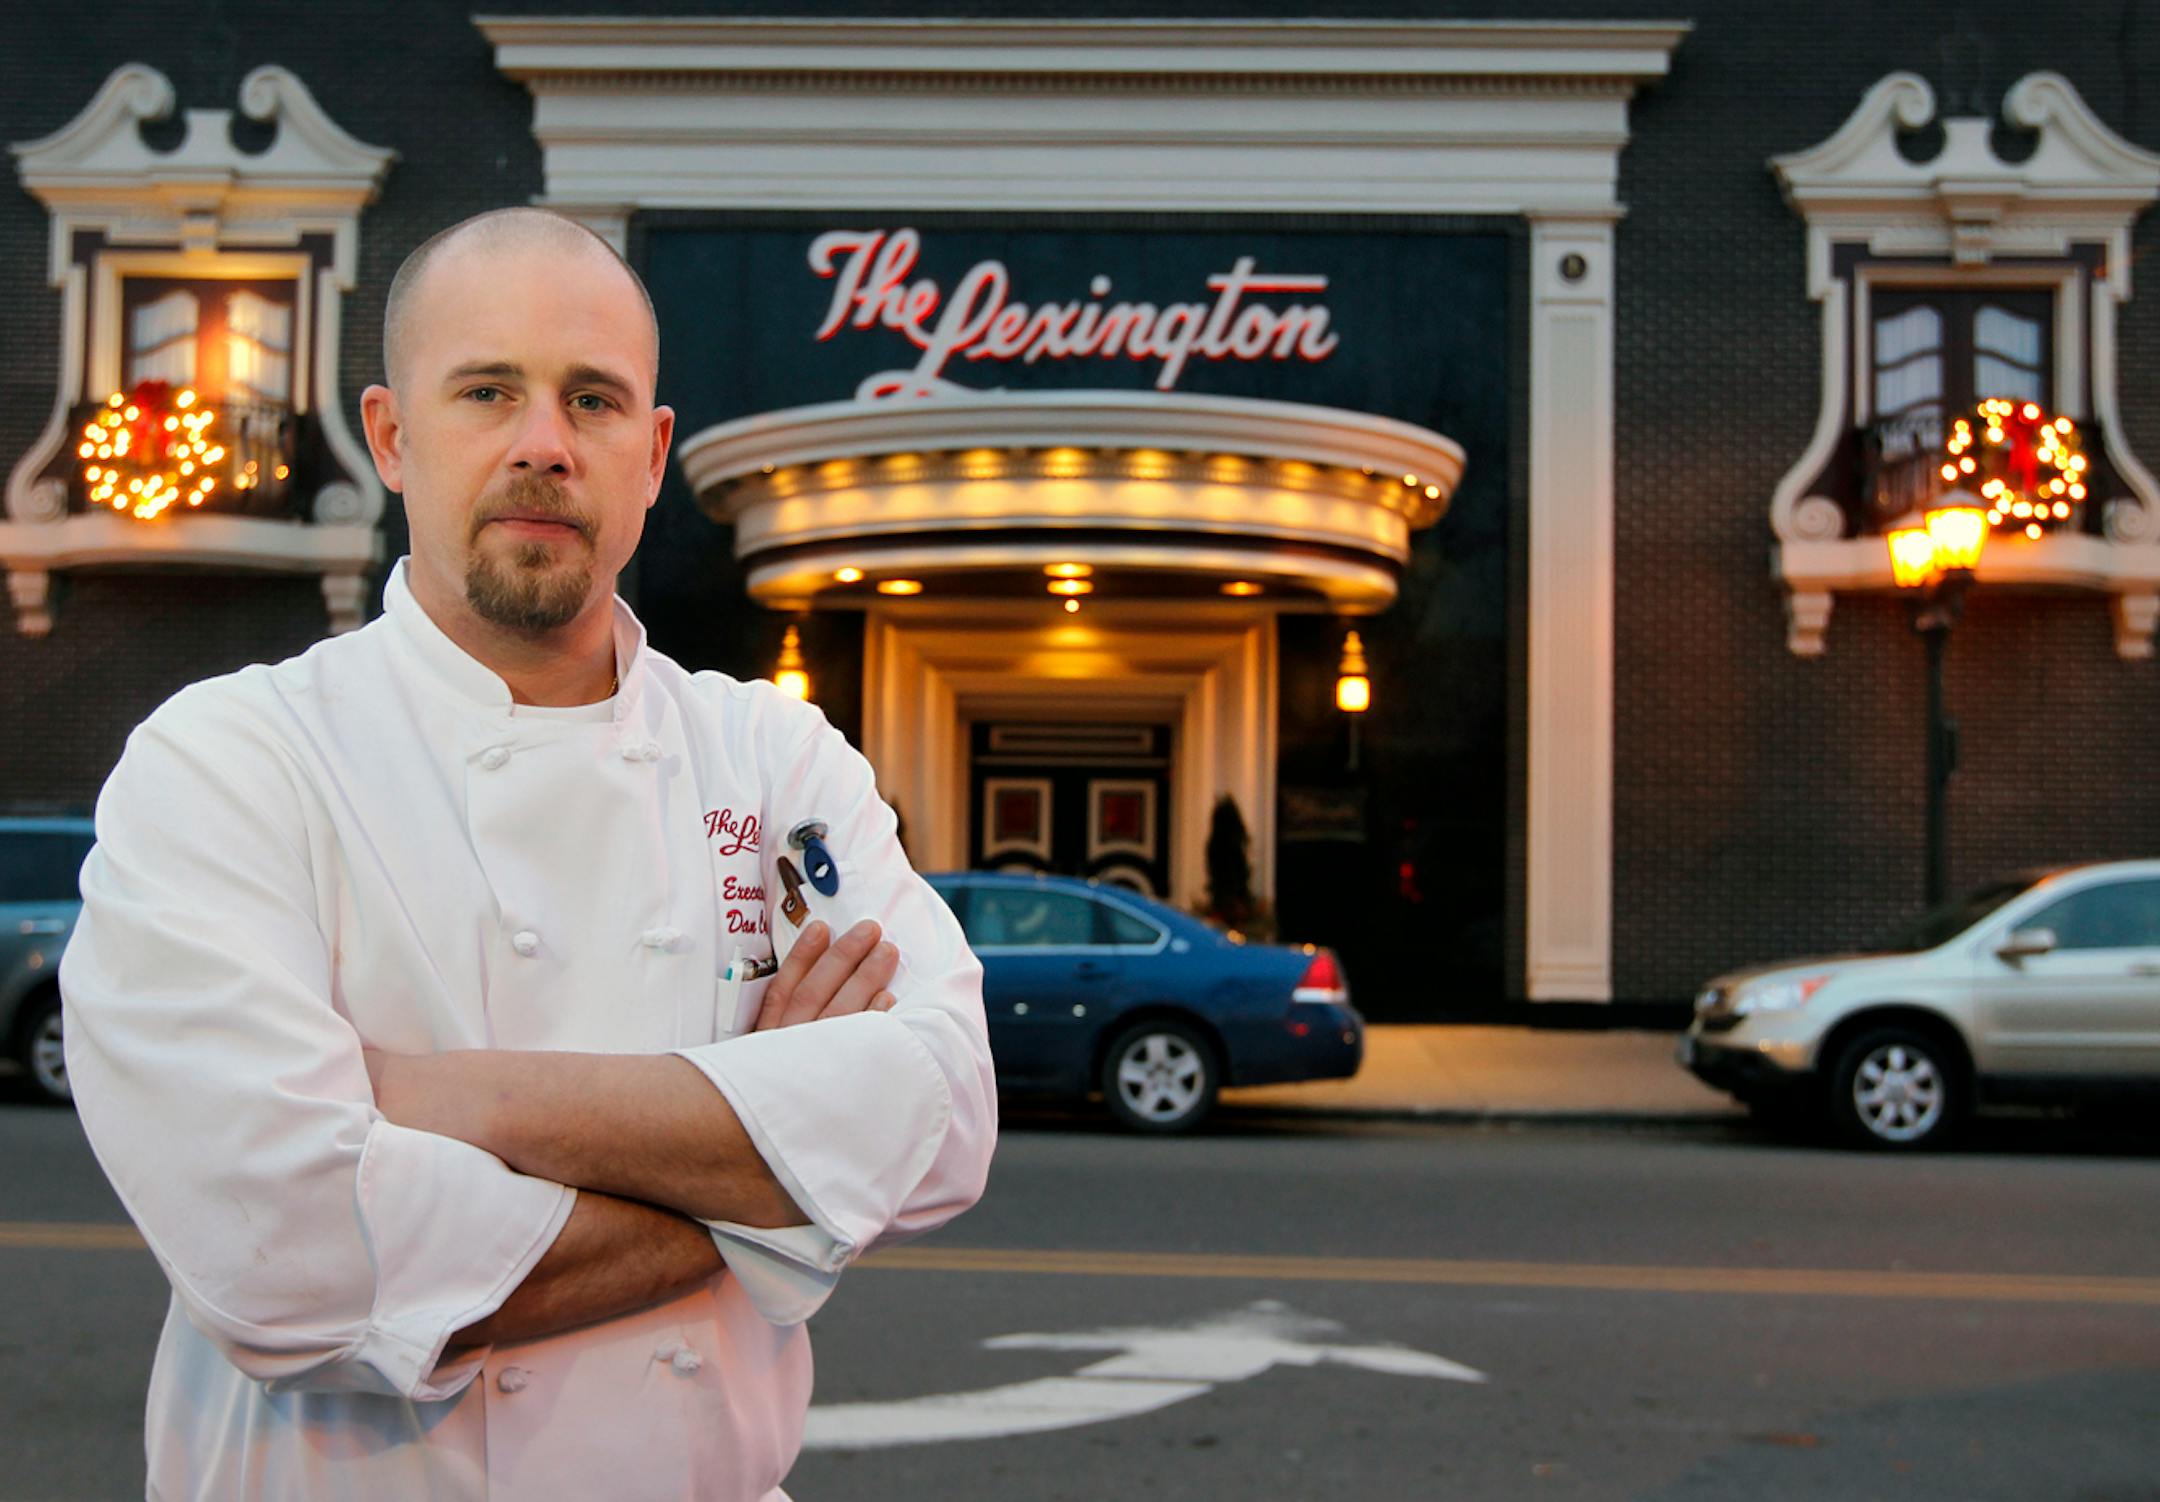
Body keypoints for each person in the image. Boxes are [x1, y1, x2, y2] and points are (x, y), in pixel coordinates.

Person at [59, 206, 997, 1502]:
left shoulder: (773, 757)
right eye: (488, 389)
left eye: (594, 400)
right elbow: (286, 1265)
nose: (544, 444)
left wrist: (457, 1098)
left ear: (654, 452)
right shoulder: (229, 762)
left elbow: (944, 1112)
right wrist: (786, 1165)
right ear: (392, 435)